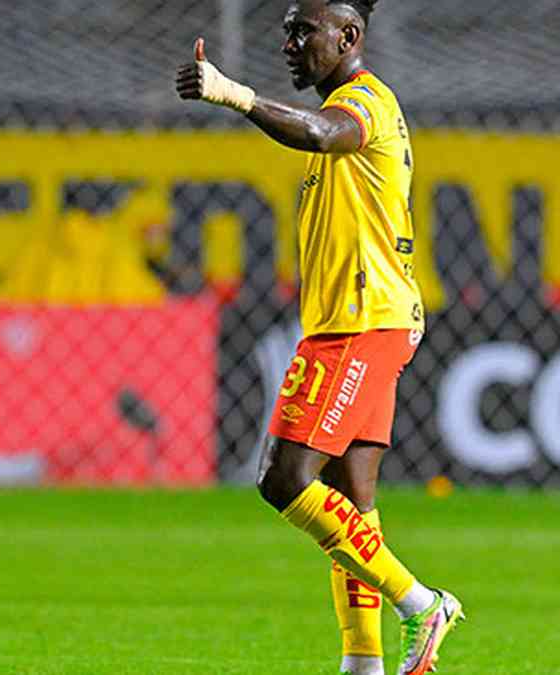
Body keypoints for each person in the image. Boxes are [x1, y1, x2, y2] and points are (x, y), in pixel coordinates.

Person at [176, 2, 463, 674]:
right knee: (352, 500)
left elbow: (319, 132)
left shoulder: (361, 104)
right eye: (284, 32)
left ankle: (420, 601)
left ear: (349, 37)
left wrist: (234, 95)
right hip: (369, 319)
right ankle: (362, 662)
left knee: (282, 479)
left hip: (358, 325)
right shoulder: (351, 113)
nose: (288, 44)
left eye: (303, 31)